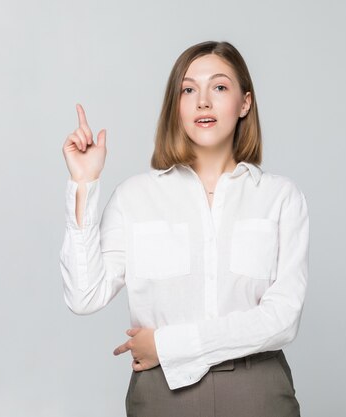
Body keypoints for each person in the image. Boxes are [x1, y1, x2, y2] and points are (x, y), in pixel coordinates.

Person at [60, 40, 309, 417]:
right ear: (175, 105)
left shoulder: (279, 197)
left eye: (220, 87)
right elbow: (85, 295)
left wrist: (169, 345)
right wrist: (83, 183)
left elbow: (282, 319)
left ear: (244, 103)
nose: (203, 101)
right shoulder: (135, 197)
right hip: (163, 393)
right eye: (189, 89)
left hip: (257, 389)